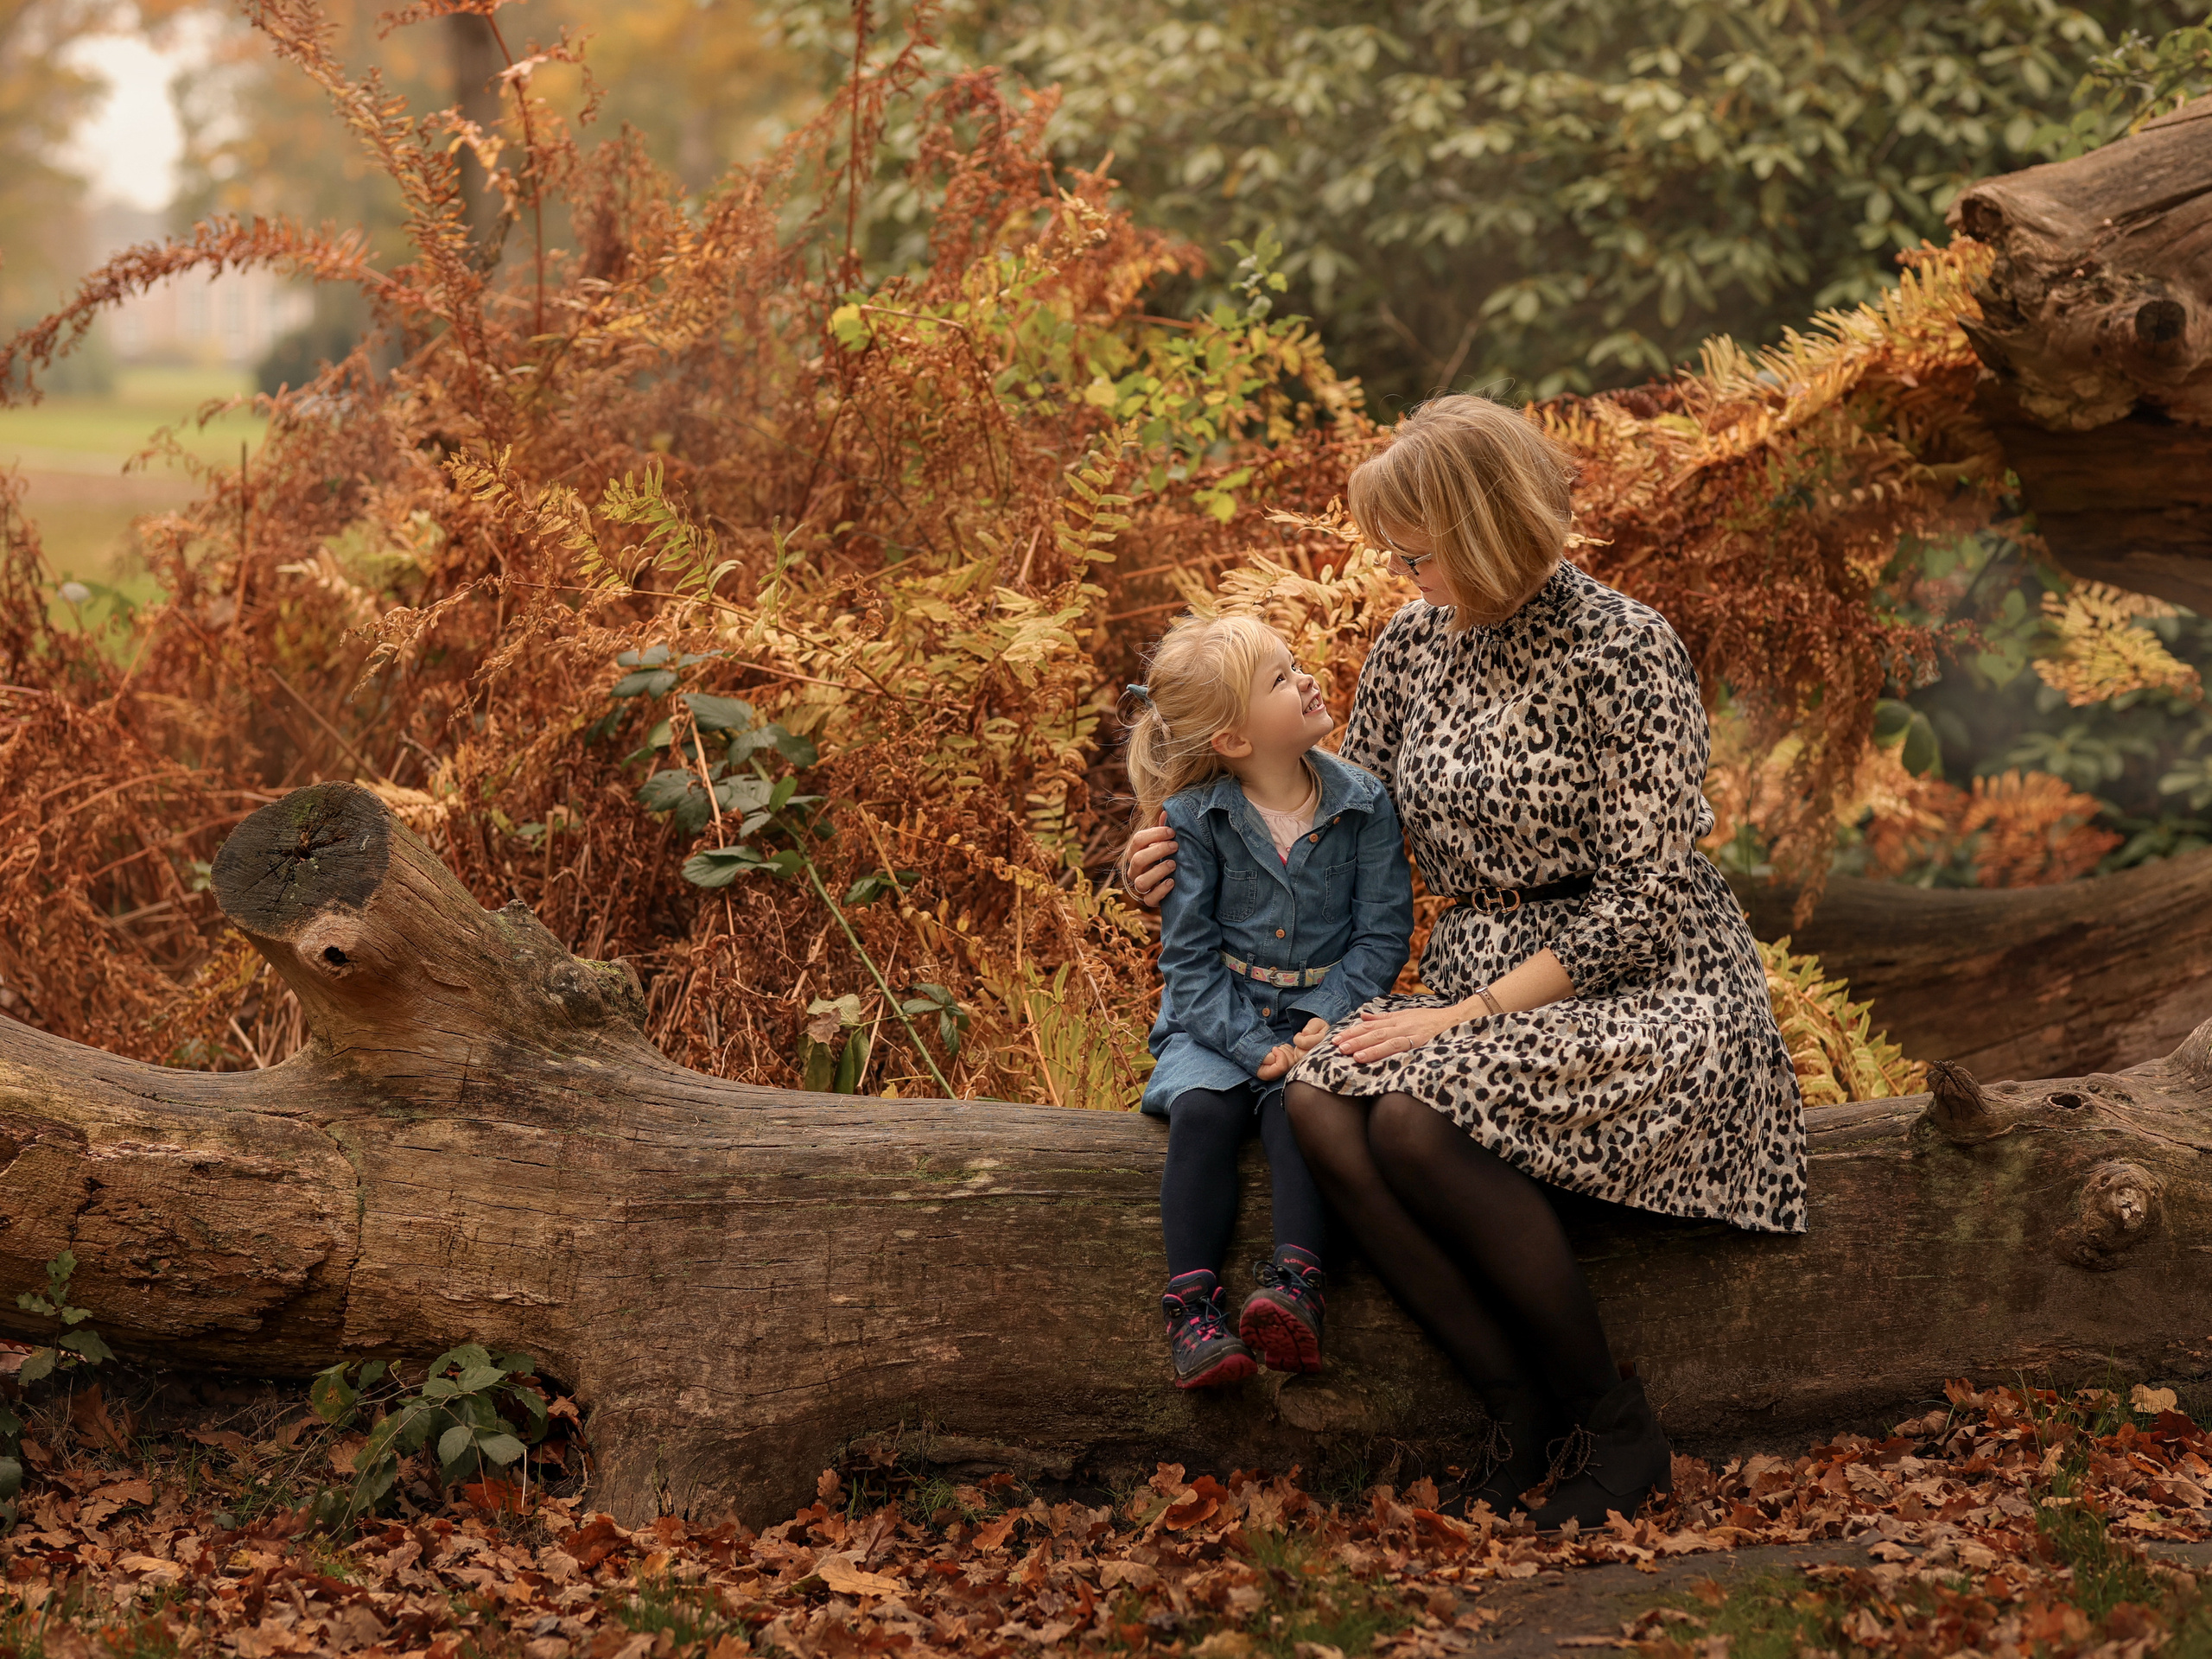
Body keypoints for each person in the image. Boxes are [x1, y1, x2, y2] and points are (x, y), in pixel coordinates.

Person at [1123, 394, 1803, 1526]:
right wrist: (1178, 854)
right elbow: (1335, 821)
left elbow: (1643, 905)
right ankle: (1519, 1409)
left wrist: (1455, 1017)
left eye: (1416, 549)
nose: (1401, 572)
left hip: (1646, 983)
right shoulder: (1410, 646)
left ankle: (1613, 1422)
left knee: (1416, 1117)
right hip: (1463, 983)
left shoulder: (1626, 648)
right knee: (1325, 1108)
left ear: (1482, 526)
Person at [1126, 613, 1415, 1390]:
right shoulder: (1197, 820)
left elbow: (1382, 938)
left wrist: (1330, 1017)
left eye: (1296, 664)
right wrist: (1253, 1049)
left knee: (1302, 1110)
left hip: (1326, 1013)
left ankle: (1297, 1288)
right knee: (1203, 1114)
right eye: (1281, 679)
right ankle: (1191, 1309)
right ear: (1233, 740)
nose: (1308, 678)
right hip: (1215, 1014)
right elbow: (1186, 962)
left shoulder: (1364, 804)